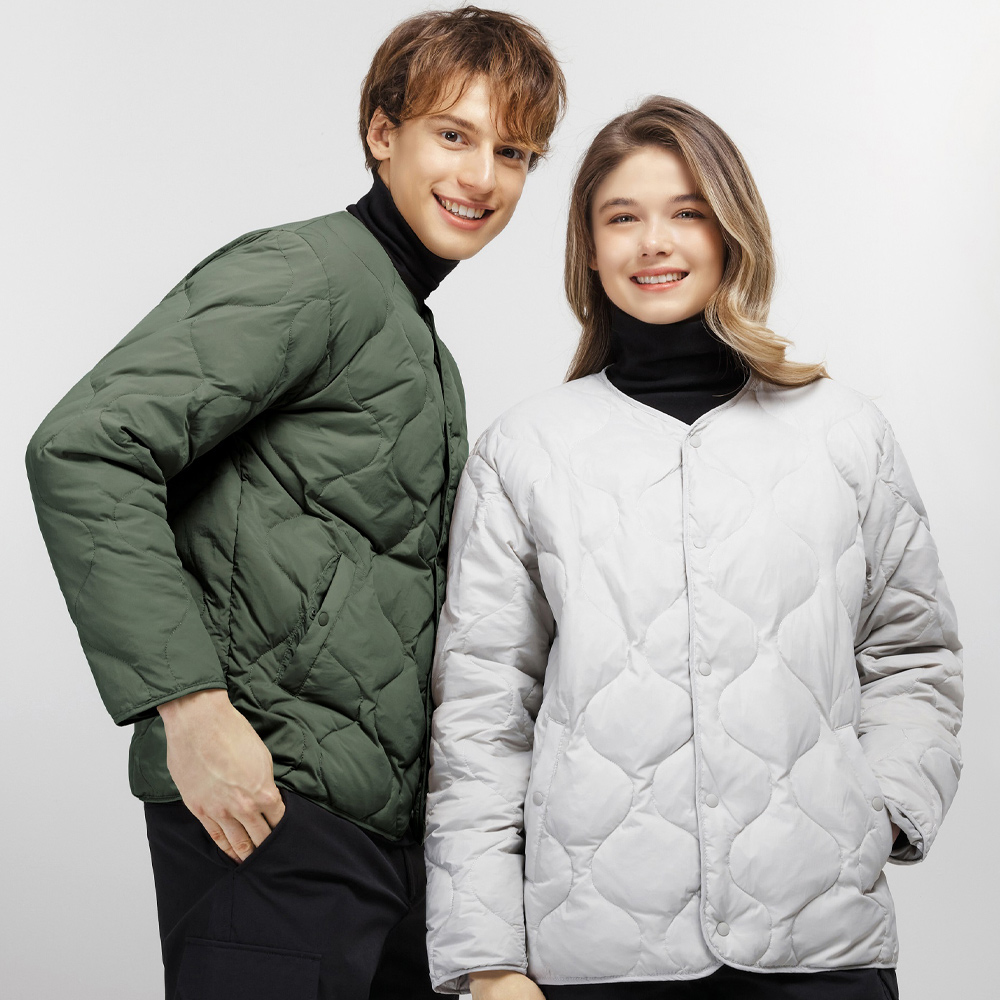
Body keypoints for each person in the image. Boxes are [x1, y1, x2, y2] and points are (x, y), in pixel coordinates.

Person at [24, 8, 565, 999]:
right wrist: (192, 711)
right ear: (382, 132)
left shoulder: (416, 338)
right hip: (268, 815)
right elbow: (87, 448)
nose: (483, 177)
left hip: (374, 849)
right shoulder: (310, 273)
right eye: (454, 135)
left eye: (514, 153)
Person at [424, 96, 962, 1000]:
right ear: (588, 248)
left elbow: (913, 655)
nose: (654, 243)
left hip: (820, 949)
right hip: (594, 957)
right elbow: (482, 721)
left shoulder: (843, 432)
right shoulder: (526, 451)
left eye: (687, 212)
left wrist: (881, 815)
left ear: (731, 230)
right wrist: (488, 960)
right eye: (621, 218)